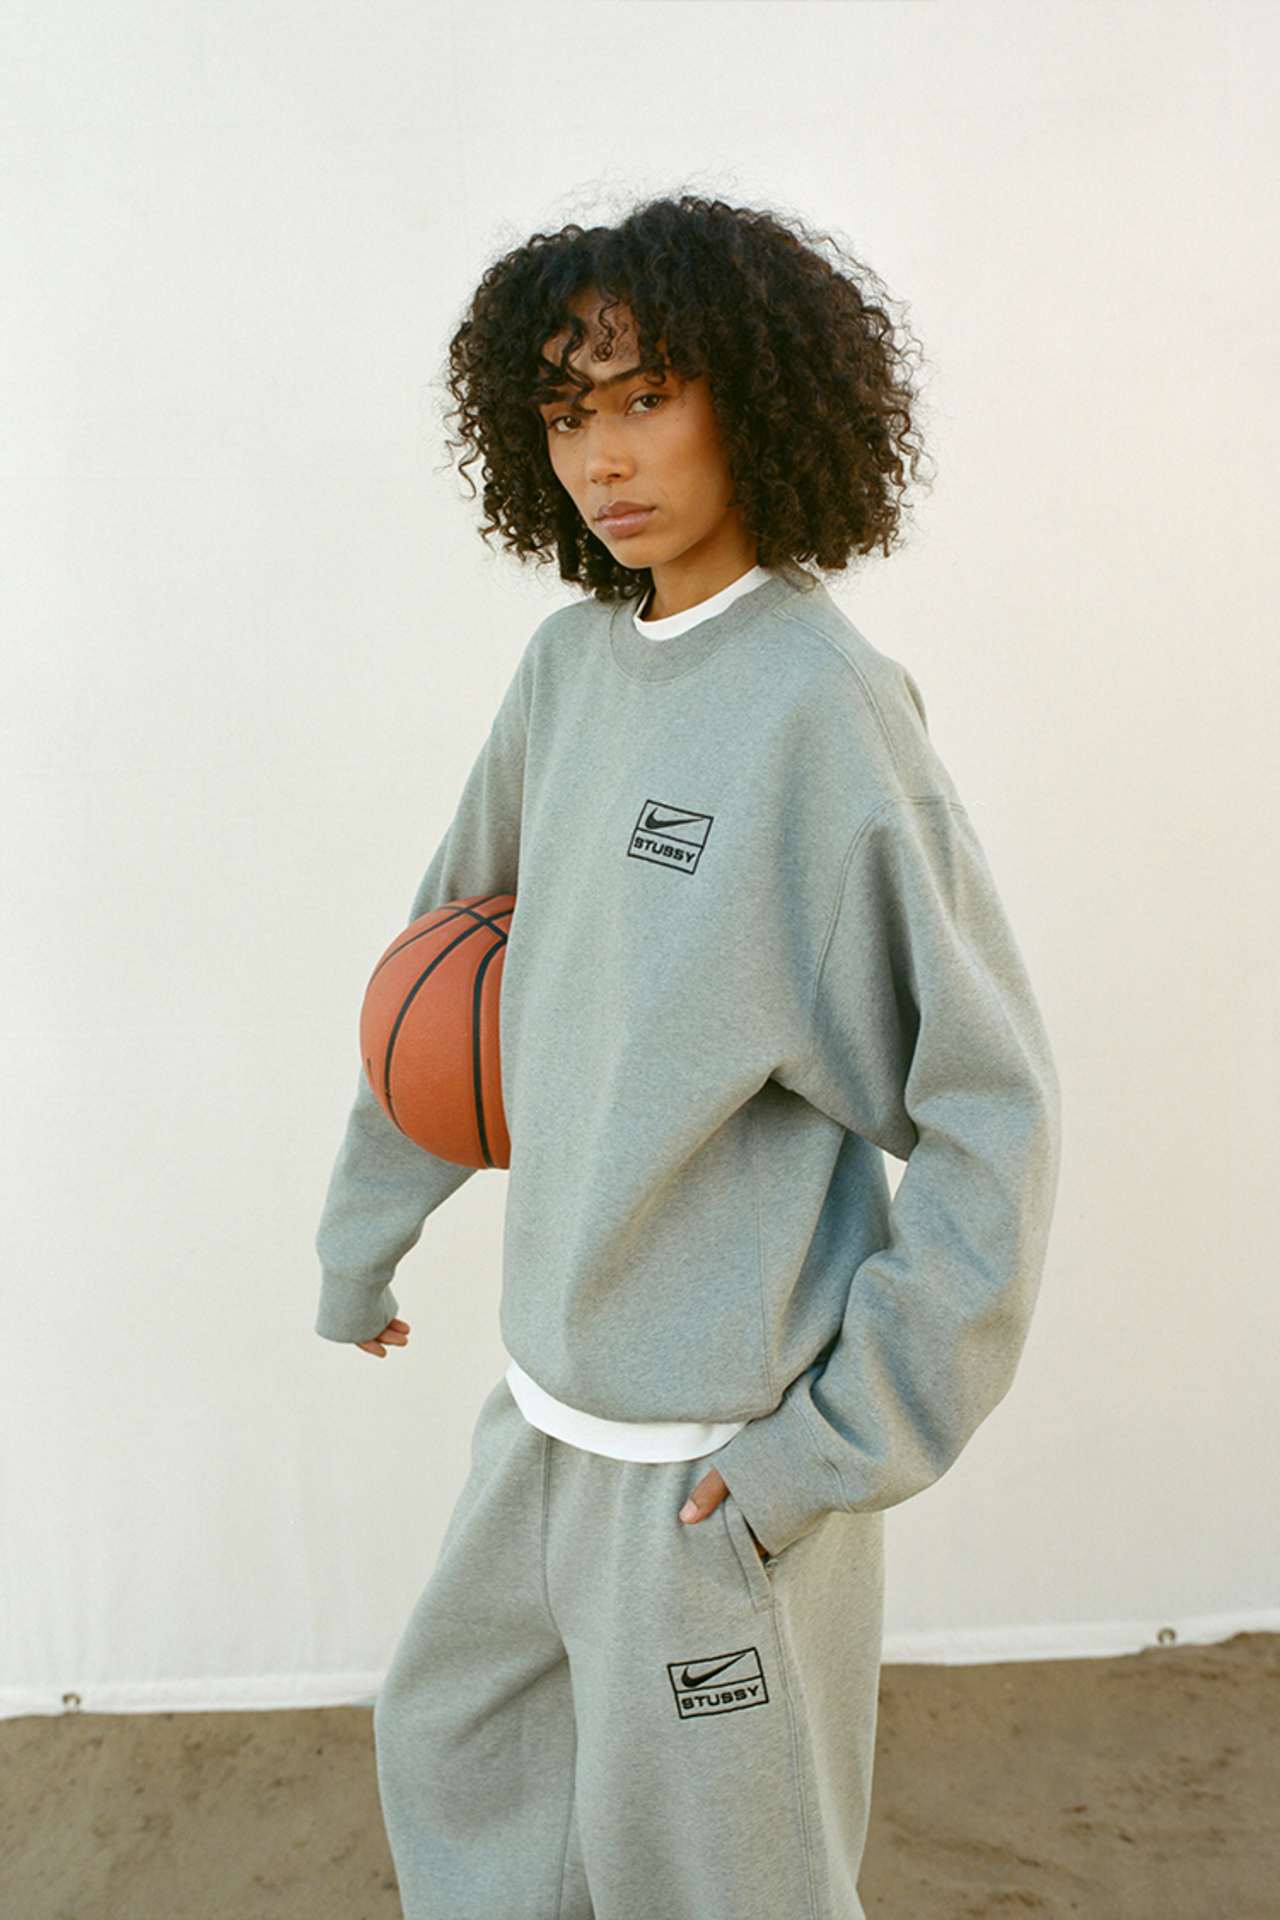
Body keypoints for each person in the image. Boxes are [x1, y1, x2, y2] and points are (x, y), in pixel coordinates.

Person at [313, 191, 1062, 1920]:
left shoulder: (824, 709)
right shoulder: (565, 675)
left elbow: (992, 1111)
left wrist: (827, 1451)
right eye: (566, 414)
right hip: (541, 1416)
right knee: (460, 1764)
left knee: (724, 1882)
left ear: (759, 401)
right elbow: (439, 974)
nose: (603, 457)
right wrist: (363, 1236)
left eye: (647, 397)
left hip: (715, 1464)